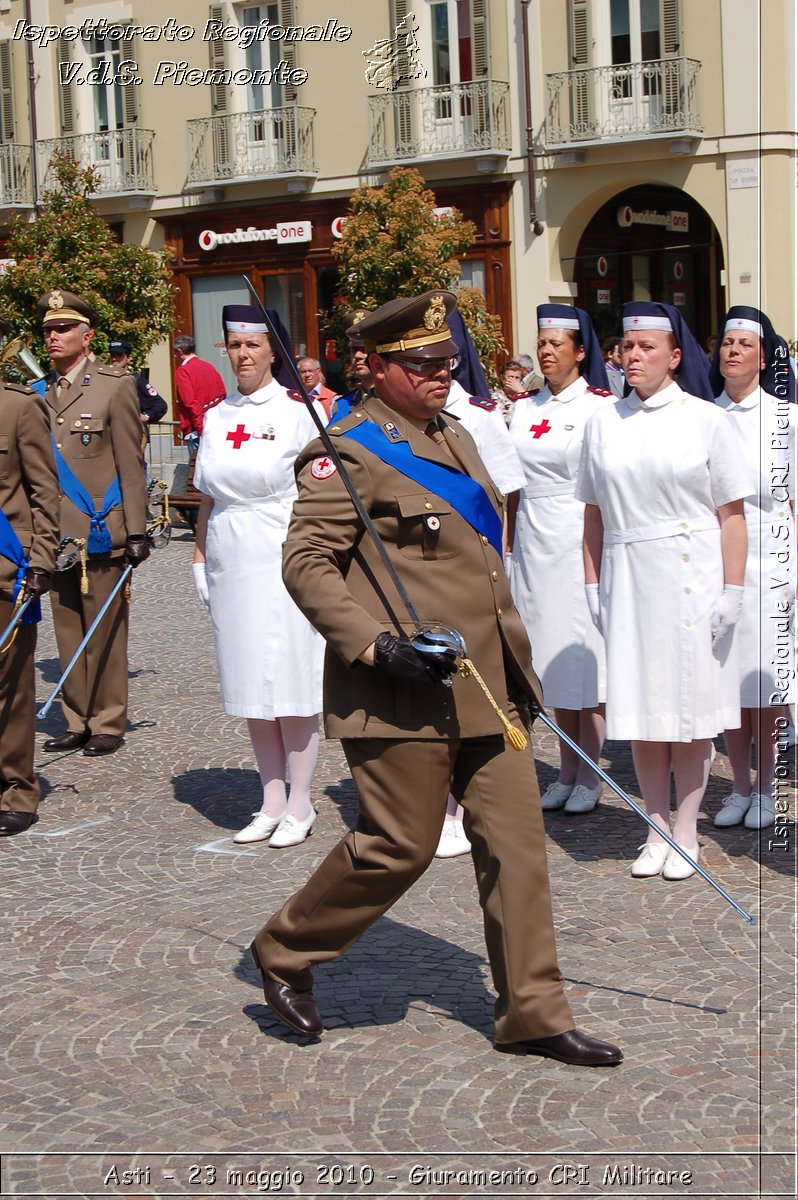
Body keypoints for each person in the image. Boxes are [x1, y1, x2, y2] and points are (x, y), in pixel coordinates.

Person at [249, 290, 622, 1067]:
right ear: (377, 367)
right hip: (400, 689)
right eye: (421, 364)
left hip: (484, 681)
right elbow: (306, 564)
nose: (439, 376)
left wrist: (512, 660)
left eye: (446, 362)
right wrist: (376, 646)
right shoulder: (345, 450)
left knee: (518, 848)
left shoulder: (455, 432)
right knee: (400, 845)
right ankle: (287, 948)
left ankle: (533, 1012)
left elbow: (482, 559)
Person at [578, 301, 749, 880]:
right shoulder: (602, 421)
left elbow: (732, 515)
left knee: (689, 708)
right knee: (643, 708)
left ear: (674, 357)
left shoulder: (706, 419)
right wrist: (592, 583)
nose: (634, 357)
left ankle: (686, 830)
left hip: (691, 573)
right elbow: (594, 515)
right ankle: (654, 827)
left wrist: (732, 590)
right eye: (628, 348)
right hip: (628, 575)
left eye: (647, 347)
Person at [192, 305, 326, 848]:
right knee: (250, 680)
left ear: (274, 351)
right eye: (234, 345)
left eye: (253, 345)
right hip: (232, 557)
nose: (243, 355)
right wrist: (199, 559)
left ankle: (301, 801)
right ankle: (270, 799)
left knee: (290, 680)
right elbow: (207, 497)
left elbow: (322, 497)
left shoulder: (299, 413)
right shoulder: (216, 416)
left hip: (282, 552)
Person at [507, 305, 613, 816]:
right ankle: (565, 768)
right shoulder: (523, 408)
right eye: (541, 343)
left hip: (577, 536)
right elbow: (509, 484)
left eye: (556, 343)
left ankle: (589, 770)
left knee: (581, 659)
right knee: (547, 661)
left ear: (579, 350)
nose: (546, 352)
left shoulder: (599, 407)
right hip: (533, 539)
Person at [39, 289, 150, 757]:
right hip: (56, 531)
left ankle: (107, 720)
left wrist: (139, 530)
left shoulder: (113, 385)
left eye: (62, 328)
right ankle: (77, 717)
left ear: (87, 337)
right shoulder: (40, 393)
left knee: (103, 627)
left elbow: (131, 461)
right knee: (66, 627)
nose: (52, 337)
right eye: (47, 329)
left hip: (101, 528)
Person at [709, 306, 796, 830]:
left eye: (744, 344)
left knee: (763, 683)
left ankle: (766, 786)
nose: (733, 351)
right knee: (728, 681)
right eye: (726, 343)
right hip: (718, 559)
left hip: (773, 559)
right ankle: (738, 784)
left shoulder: (785, 420)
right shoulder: (703, 416)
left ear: (764, 358)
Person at [0, 340, 60, 836]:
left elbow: (43, 490)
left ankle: (17, 787)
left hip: (4, 570)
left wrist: (40, 561)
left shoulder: (19, 407)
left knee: (11, 688)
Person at [172, 334, 226, 454]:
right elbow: (222, 394)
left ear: (180, 351)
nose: (174, 356)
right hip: (216, 424)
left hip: (197, 428)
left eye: (175, 353)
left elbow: (190, 402)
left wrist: (200, 427)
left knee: (197, 468)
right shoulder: (209, 366)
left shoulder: (183, 371)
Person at [108, 339, 168, 437]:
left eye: (119, 355)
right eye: (112, 355)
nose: (114, 358)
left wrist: (146, 417)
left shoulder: (136, 380)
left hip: (132, 434)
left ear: (128, 358)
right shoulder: (106, 380)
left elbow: (160, 405)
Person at [491, 359, 527, 426]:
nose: (514, 380)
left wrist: (522, 393)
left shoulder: (524, 396)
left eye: (517, 378)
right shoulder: (495, 397)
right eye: (511, 377)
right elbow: (508, 421)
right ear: (502, 378)